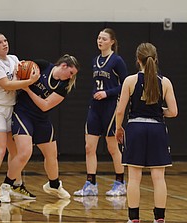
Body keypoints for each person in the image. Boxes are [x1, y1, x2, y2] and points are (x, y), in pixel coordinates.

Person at [1, 54, 80, 200]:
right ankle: (6, 186)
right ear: (63, 66)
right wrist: (20, 77)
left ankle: (54, 185)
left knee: (51, 155)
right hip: (23, 113)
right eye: (70, 73)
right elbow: (19, 70)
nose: (70, 77)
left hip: (41, 118)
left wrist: (28, 89)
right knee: (25, 152)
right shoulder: (42, 65)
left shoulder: (63, 86)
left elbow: (45, 106)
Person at [115, 42, 178, 223]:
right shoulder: (165, 82)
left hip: (135, 128)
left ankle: (134, 218)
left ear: (138, 60)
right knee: (158, 178)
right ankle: (159, 218)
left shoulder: (130, 80)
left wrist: (119, 128)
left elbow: (120, 111)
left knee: (134, 178)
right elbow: (173, 112)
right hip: (157, 128)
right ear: (155, 59)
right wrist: (158, 111)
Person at [0, 32, 40, 204]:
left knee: (15, 151)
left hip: (10, 108)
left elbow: (21, 76)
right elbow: (6, 84)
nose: (4, 44)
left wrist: (31, 74)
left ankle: (16, 185)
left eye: (5, 40)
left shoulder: (14, 59)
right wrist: (30, 81)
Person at [74, 28, 128, 197]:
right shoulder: (95, 60)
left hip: (111, 107)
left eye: (104, 39)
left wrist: (108, 93)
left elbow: (126, 85)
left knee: (112, 147)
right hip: (95, 107)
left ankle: (120, 183)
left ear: (112, 41)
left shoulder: (117, 60)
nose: (100, 41)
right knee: (89, 147)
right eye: (98, 38)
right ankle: (91, 184)